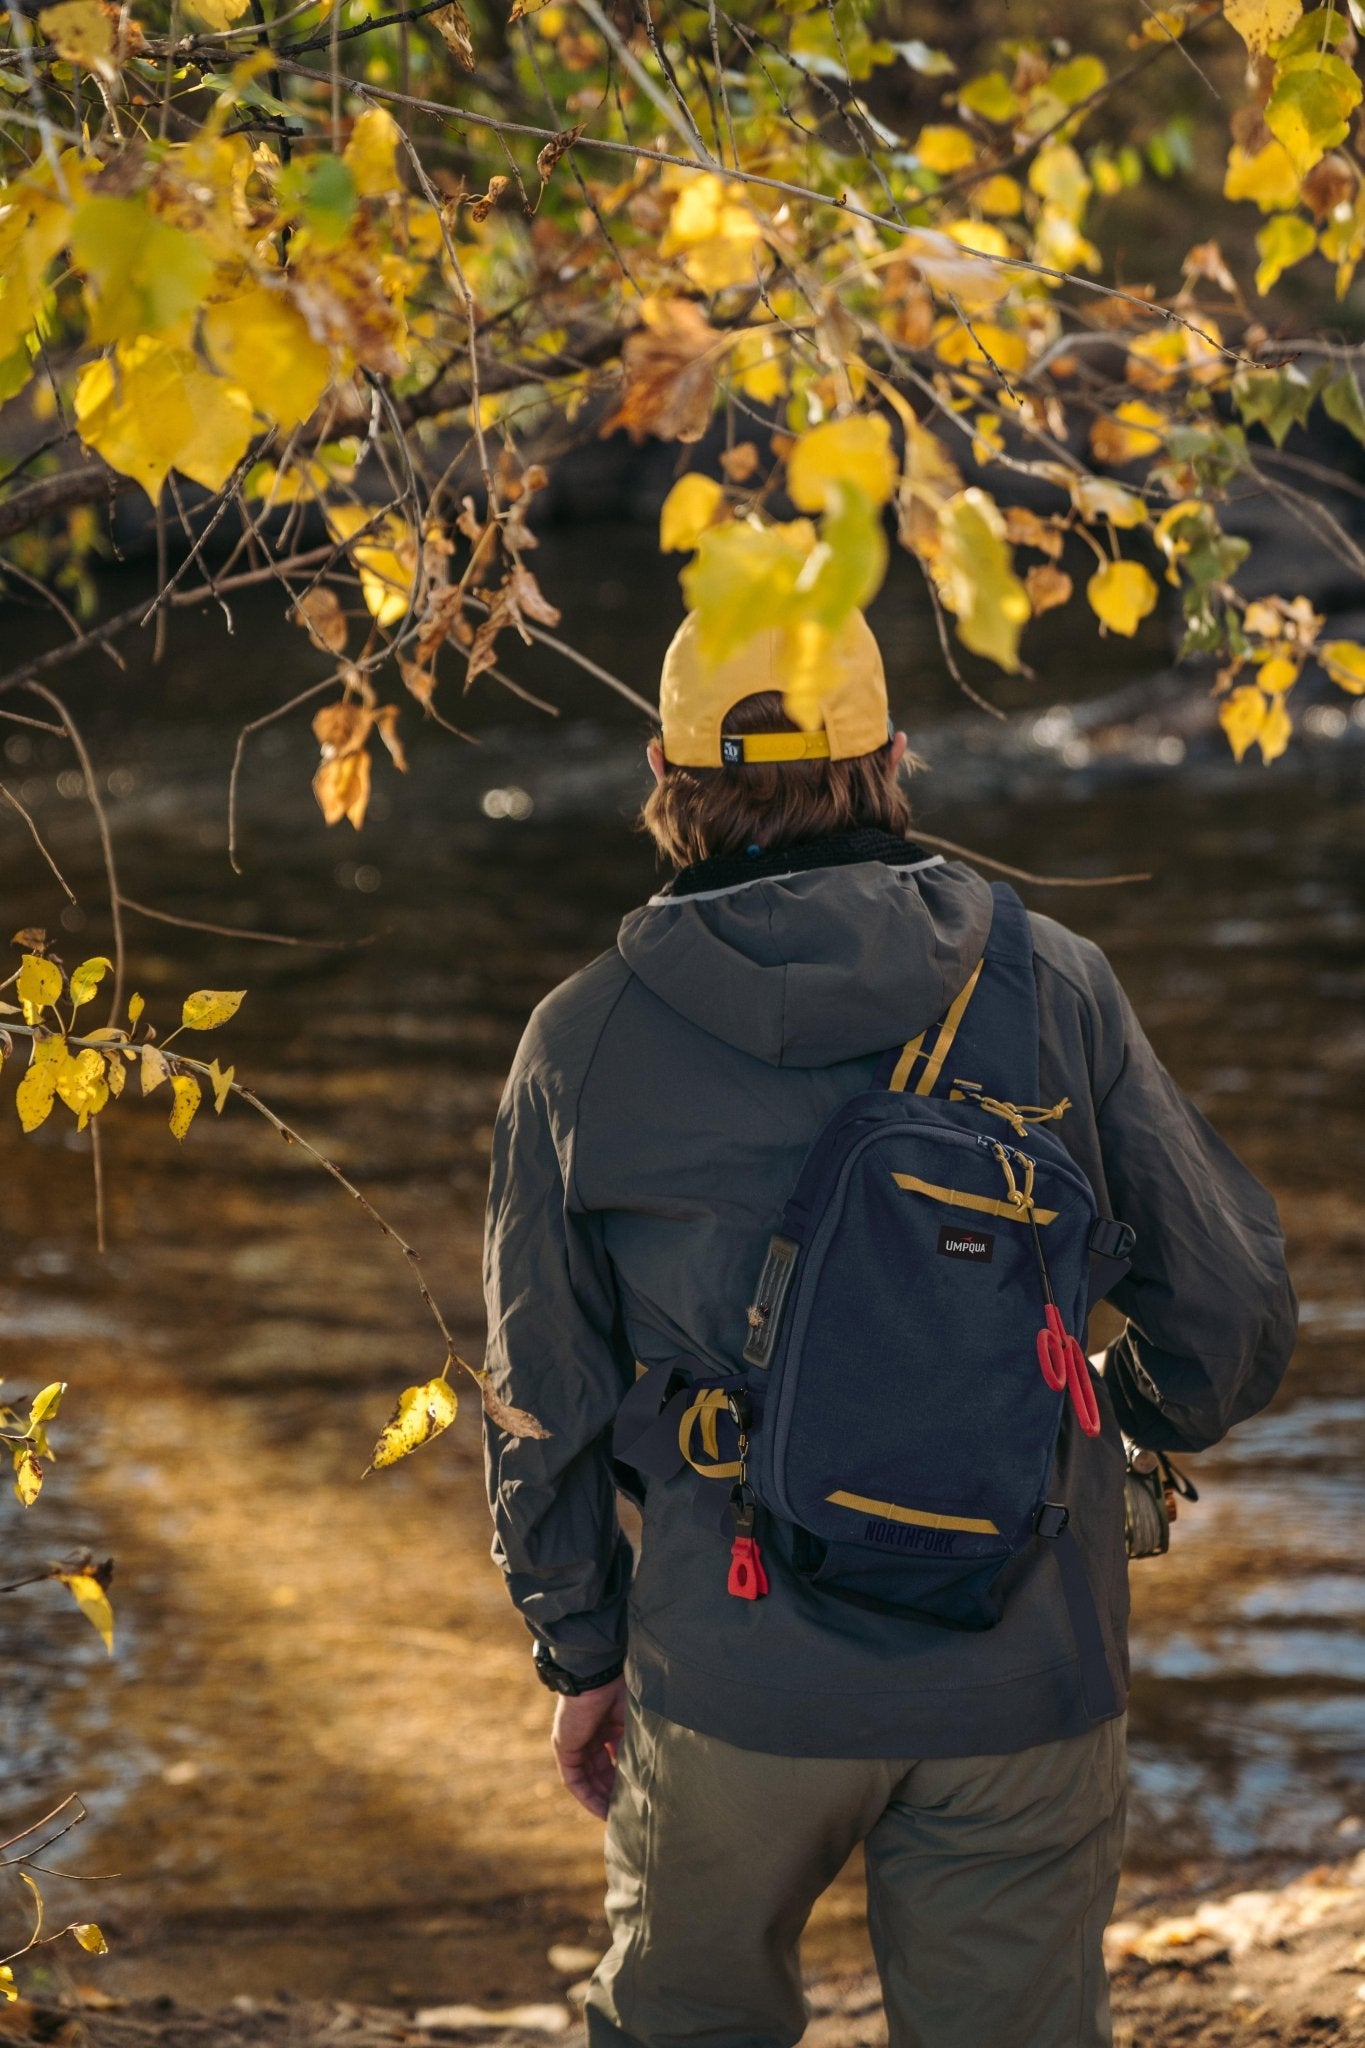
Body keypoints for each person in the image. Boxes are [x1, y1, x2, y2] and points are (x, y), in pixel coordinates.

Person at [481, 609, 1296, 2048]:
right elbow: (1225, 1318)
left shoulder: (581, 1037)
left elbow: (538, 1396)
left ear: (660, 772)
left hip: (729, 1669)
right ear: (895, 760)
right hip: (1026, 1661)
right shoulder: (1051, 982)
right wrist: (1110, 1413)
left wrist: (580, 1651)